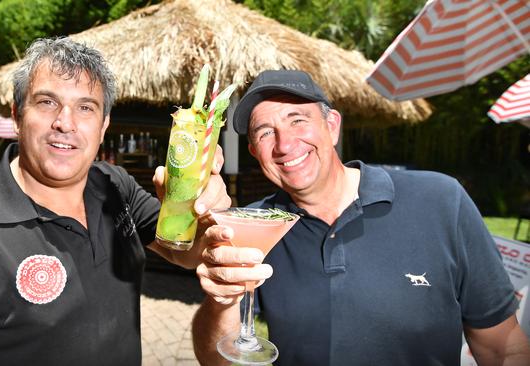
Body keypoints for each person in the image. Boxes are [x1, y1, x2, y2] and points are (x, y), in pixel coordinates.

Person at [0, 37, 229, 365]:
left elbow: (185, 251)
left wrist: (199, 209)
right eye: (47, 102)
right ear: (17, 116)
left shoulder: (114, 186)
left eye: (86, 107)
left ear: (104, 125)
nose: (65, 123)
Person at [192, 70, 530, 365]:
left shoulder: (441, 201)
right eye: (265, 132)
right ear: (254, 152)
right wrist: (221, 301)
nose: (284, 144)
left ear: (332, 126)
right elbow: (215, 360)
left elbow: (503, 349)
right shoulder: (252, 225)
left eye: (298, 120)